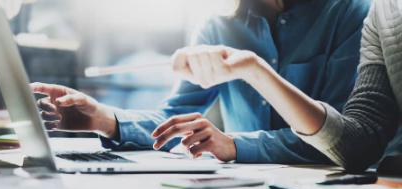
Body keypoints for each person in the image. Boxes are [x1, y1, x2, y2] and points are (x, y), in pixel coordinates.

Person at [32, 0, 370, 165]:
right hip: (250, 188)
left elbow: (341, 137)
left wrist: (234, 145)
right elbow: (176, 117)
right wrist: (103, 120)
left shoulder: (353, 12)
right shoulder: (218, 25)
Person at [159, 0, 401, 172]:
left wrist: (235, 144)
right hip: (245, 184)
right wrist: (119, 124)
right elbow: (357, 141)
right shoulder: (383, 13)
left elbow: (350, 143)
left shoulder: (353, 11)